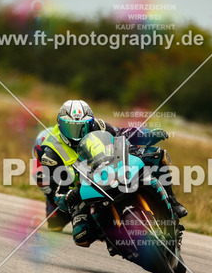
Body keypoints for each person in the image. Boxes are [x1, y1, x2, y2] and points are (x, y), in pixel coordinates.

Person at [39, 100, 186, 247]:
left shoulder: (98, 125)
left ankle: (172, 203)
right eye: (70, 128)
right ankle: (113, 237)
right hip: (83, 191)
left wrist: (147, 135)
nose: (77, 133)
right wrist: (69, 196)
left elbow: (122, 133)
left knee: (156, 155)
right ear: (60, 124)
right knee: (82, 235)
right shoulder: (51, 152)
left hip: (111, 169)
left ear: (90, 123)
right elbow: (56, 193)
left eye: (82, 127)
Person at [32, 127, 71, 231]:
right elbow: (45, 186)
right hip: (59, 195)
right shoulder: (39, 170)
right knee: (54, 223)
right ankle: (57, 207)